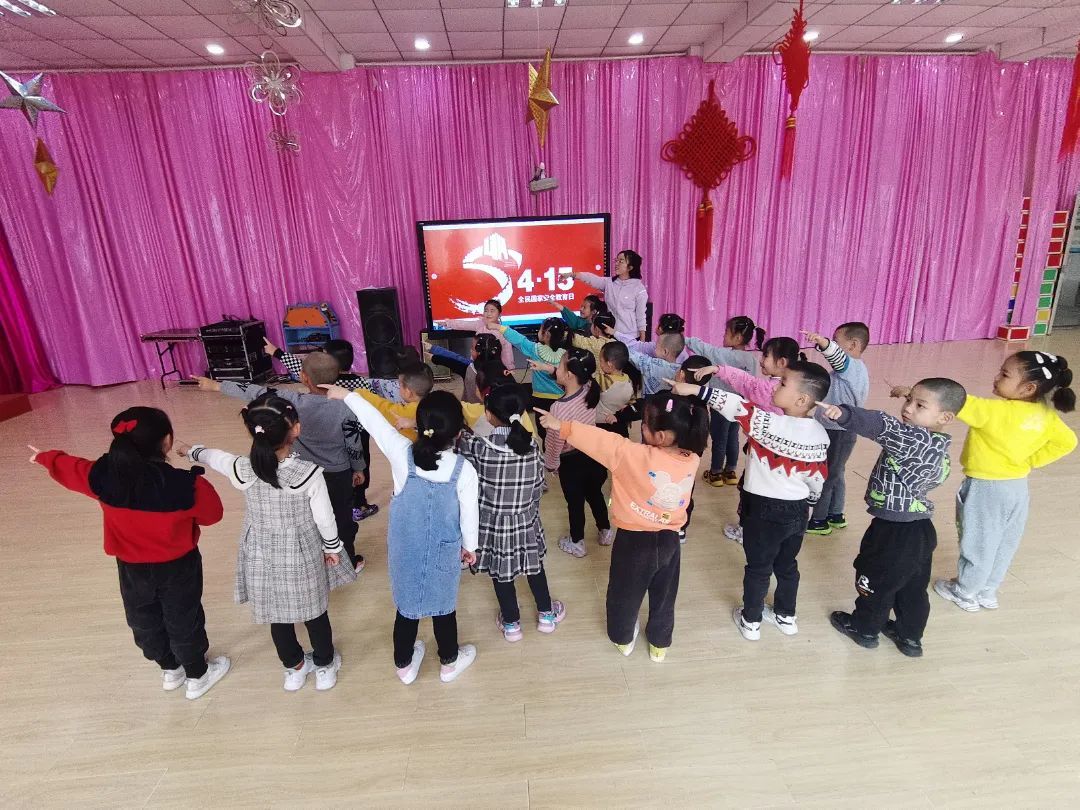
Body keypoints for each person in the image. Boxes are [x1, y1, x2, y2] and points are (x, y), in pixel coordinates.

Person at [29, 408, 230, 700]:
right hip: (177, 567)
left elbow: (73, 468)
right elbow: (213, 515)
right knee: (183, 617)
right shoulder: (186, 485)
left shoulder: (102, 476)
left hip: (131, 568)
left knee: (143, 617)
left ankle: (170, 669)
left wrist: (45, 458)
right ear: (167, 441)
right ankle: (197, 675)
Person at [185, 393, 356, 692]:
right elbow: (325, 519)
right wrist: (332, 548)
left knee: (277, 614)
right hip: (301, 551)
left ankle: (294, 669)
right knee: (314, 612)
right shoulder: (308, 474)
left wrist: (192, 452)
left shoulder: (242, 468)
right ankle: (325, 666)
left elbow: (215, 457)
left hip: (260, 552)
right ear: (296, 430)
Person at [535, 392, 708, 663]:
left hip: (633, 542)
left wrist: (562, 426)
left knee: (623, 594)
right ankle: (660, 644)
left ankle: (623, 638)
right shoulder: (692, 458)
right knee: (665, 594)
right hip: (670, 541)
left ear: (661, 436)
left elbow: (600, 440)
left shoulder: (631, 455)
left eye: (645, 425)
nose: (642, 427)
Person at [327, 386, 480, 685]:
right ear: (458, 433)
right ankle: (449, 662)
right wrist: (470, 547)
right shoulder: (464, 470)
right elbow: (469, 515)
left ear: (419, 426)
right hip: (444, 549)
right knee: (444, 606)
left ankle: (404, 666)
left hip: (404, 550)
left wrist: (346, 395)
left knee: (406, 607)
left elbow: (375, 423)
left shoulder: (401, 452)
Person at [669, 362, 831, 642]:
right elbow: (817, 478)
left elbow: (735, 406)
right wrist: (811, 503)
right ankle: (786, 616)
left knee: (758, 567)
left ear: (802, 399)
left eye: (783, 383)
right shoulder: (820, 435)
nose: (775, 385)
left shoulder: (769, 424)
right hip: (798, 510)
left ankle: (751, 620)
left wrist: (694, 390)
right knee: (787, 565)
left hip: (763, 510)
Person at [819, 378, 967, 657]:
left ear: (945, 417)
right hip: (920, 529)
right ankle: (909, 637)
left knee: (875, 581)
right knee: (913, 588)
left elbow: (882, 424)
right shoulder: (937, 443)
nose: (908, 408)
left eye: (920, 405)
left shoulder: (909, 438)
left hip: (893, 531)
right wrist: (910, 394)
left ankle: (864, 629)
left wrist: (845, 414)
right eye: (909, 400)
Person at [192, 351, 368, 574]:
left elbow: (255, 391)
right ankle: (347, 562)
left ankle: (317, 562)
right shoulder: (346, 406)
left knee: (311, 518)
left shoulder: (291, 403)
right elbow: (353, 443)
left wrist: (217, 386)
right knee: (341, 519)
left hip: (302, 473)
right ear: (337, 376)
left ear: (304, 377)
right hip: (338, 474)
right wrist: (358, 468)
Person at [926, 351, 1077, 612]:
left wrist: (916, 395)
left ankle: (965, 591)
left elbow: (955, 401)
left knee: (978, 540)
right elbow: (1068, 441)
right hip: (1017, 487)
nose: (996, 377)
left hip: (986, 487)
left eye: (1005, 374)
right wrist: (1031, 461)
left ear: (1028, 388)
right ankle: (987, 590)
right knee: (1005, 541)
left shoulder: (993, 410)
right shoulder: (1046, 415)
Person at [455, 385, 565, 642]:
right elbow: (538, 486)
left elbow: (463, 480)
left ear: (488, 414)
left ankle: (512, 624)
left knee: (501, 572)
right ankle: (546, 615)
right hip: (525, 519)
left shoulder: (477, 446)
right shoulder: (532, 446)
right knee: (534, 566)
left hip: (491, 524)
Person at [691, 336, 805, 544]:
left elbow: (747, 383)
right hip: (780, 455)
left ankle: (746, 531)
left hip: (763, 454)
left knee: (751, 491)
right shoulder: (797, 387)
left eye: (766, 356)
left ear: (781, 362)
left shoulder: (770, 390)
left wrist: (717, 370)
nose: (761, 360)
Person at [802, 322, 871, 535]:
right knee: (836, 471)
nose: (832, 345)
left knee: (827, 475)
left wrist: (822, 342)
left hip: (838, 432)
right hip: (838, 430)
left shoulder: (852, 367)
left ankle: (818, 519)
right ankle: (835, 513)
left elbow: (836, 357)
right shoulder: (849, 371)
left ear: (853, 345)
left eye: (835, 341)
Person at [543, 348, 610, 558]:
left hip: (571, 463)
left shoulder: (558, 409)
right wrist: (550, 369)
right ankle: (606, 531)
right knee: (595, 494)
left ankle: (577, 543)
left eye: (559, 366)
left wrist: (551, 465)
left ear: (570, 374)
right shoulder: (589, 387)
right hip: (594, 455)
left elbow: (554, 443)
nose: (557, 369)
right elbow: (567, 381)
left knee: (575, 503)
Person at [685, 316, 765, 488]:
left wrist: (683, 338)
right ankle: (730, 472)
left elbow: (700, 346)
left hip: (720, 404)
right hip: (740, 406)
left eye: (727, 332)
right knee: (732, 437)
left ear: (737, 337)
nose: (723, 335)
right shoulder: (751, 359)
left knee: (719, 438)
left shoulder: (721, 354)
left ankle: (715, 473)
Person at [497, 318, 573, 440]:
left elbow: (519, 339)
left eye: (540, 329)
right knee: (560, 429)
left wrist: (498, 327)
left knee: (544, 431)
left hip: (541, 399)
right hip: (563, 398)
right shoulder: (567, 355)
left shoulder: (535, 349)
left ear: (546, 335)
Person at [574, 249, 648, 341]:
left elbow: (641, 315)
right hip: (610, 333)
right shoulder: (609, 283)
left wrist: (642, 339)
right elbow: (591, 279)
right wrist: (573, 275)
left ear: (630, 267)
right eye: (616, 260)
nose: (616, 264)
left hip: (630, 336)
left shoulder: (639, 288)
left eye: (621, 261)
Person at [425, 332, 504, 404]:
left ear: (479, 353)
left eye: (472, 348)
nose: (470, 350)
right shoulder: (504, 371)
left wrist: (434, 356)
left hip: (470, 411)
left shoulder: (470, 370)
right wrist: (433, 350)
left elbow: (453, 361)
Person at [440, 299, 516, 370]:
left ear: (499, 314)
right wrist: (447, 323)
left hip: (494, 367)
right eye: (486, 310)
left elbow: (507, 353)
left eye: (492, 311)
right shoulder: (480, 324)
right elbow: (463, 324)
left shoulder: (504, 331)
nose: (488, 313)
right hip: (476, 365)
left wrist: (509, 369)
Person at [595, 340, 642, 436]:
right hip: (620, 423)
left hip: (602, 424)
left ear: (609, 364)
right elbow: (631, 402)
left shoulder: (602, 380)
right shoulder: (628, 380)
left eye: (601, 361)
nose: (600, 364)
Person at [614, 313, 690, 364]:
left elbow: (636, 347)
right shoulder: (684, 355)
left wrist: (615, 334)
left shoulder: (651, 364)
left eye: (659, 324)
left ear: (660, 329)